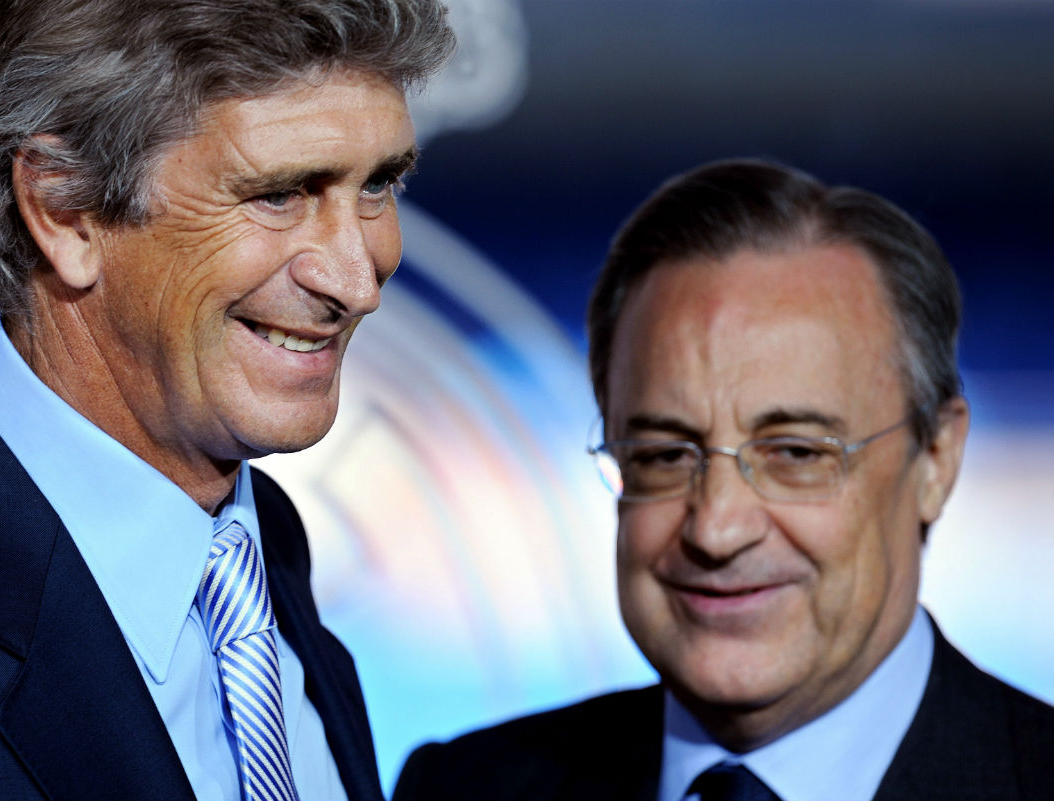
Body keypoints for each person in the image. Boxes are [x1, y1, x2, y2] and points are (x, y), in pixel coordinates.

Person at [0, 1, 453, 799]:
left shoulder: (260, 545)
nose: (357, 279)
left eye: (379, 183)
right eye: (281, 194)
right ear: (64, 210)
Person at [391, 159, 1054, 801]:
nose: (715, 527)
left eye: (795, 453)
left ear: (936, 458)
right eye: (663, 454)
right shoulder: (462, 786)